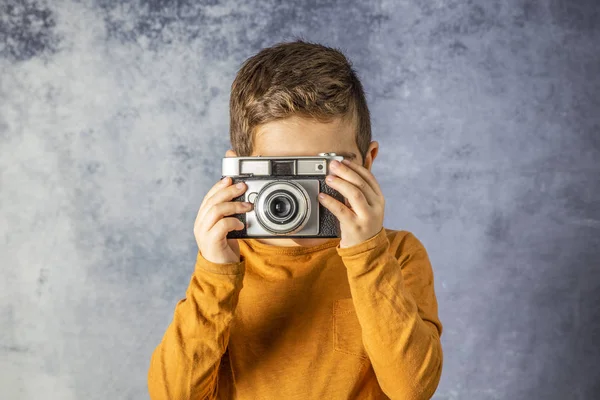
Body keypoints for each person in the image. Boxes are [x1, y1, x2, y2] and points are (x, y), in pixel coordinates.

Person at [148, 40, 443, 400]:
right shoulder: (227, 263)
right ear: (238, 171)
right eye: (280, 172)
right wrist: (214, 273)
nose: (300, 195)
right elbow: (172, 395)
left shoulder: (397, 255)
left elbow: (412, 390)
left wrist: (368, 257)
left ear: (367, 162)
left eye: (326, 168)